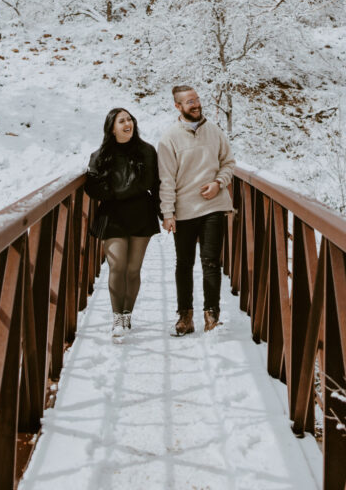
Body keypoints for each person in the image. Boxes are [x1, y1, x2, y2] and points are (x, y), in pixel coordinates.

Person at [157, 85, 235, 335]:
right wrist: (168, 213)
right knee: (184, 263)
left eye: (197, 99)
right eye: (189, 102)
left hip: (213, 206)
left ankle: (212, 316)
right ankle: (185, 316)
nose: (196, 104)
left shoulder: (215, 132)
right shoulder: (169, 138)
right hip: (185, 209)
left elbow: (228, 163)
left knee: (211, 262)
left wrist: (218, 183)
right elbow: (166, 179)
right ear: (178, 106)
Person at [85, 107, 160, 340]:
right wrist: (114, 193)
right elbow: (92, 186)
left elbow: (154, 182)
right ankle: (117, 316)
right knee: (117, 266)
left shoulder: (147, 151)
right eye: (122, 121)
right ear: (112, 128)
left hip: (141, 212)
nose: (128, 123)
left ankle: (128, 314)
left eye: (130, 119)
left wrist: (165, 213)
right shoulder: (101, 155)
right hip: (113, 214)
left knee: (133, 268)